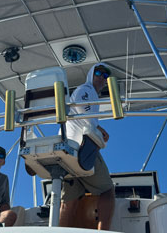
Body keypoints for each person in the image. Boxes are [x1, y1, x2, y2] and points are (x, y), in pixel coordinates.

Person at [59, 63, 115, 231]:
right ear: (91, 74)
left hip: (68, 152)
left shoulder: (88, 93)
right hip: (82, 150)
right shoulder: (86, 89)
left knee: (68, 202)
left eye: (105, 76)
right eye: (98, 73)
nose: (102, 78)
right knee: (107, 191)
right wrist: (99, 129)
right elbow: (85, 115)